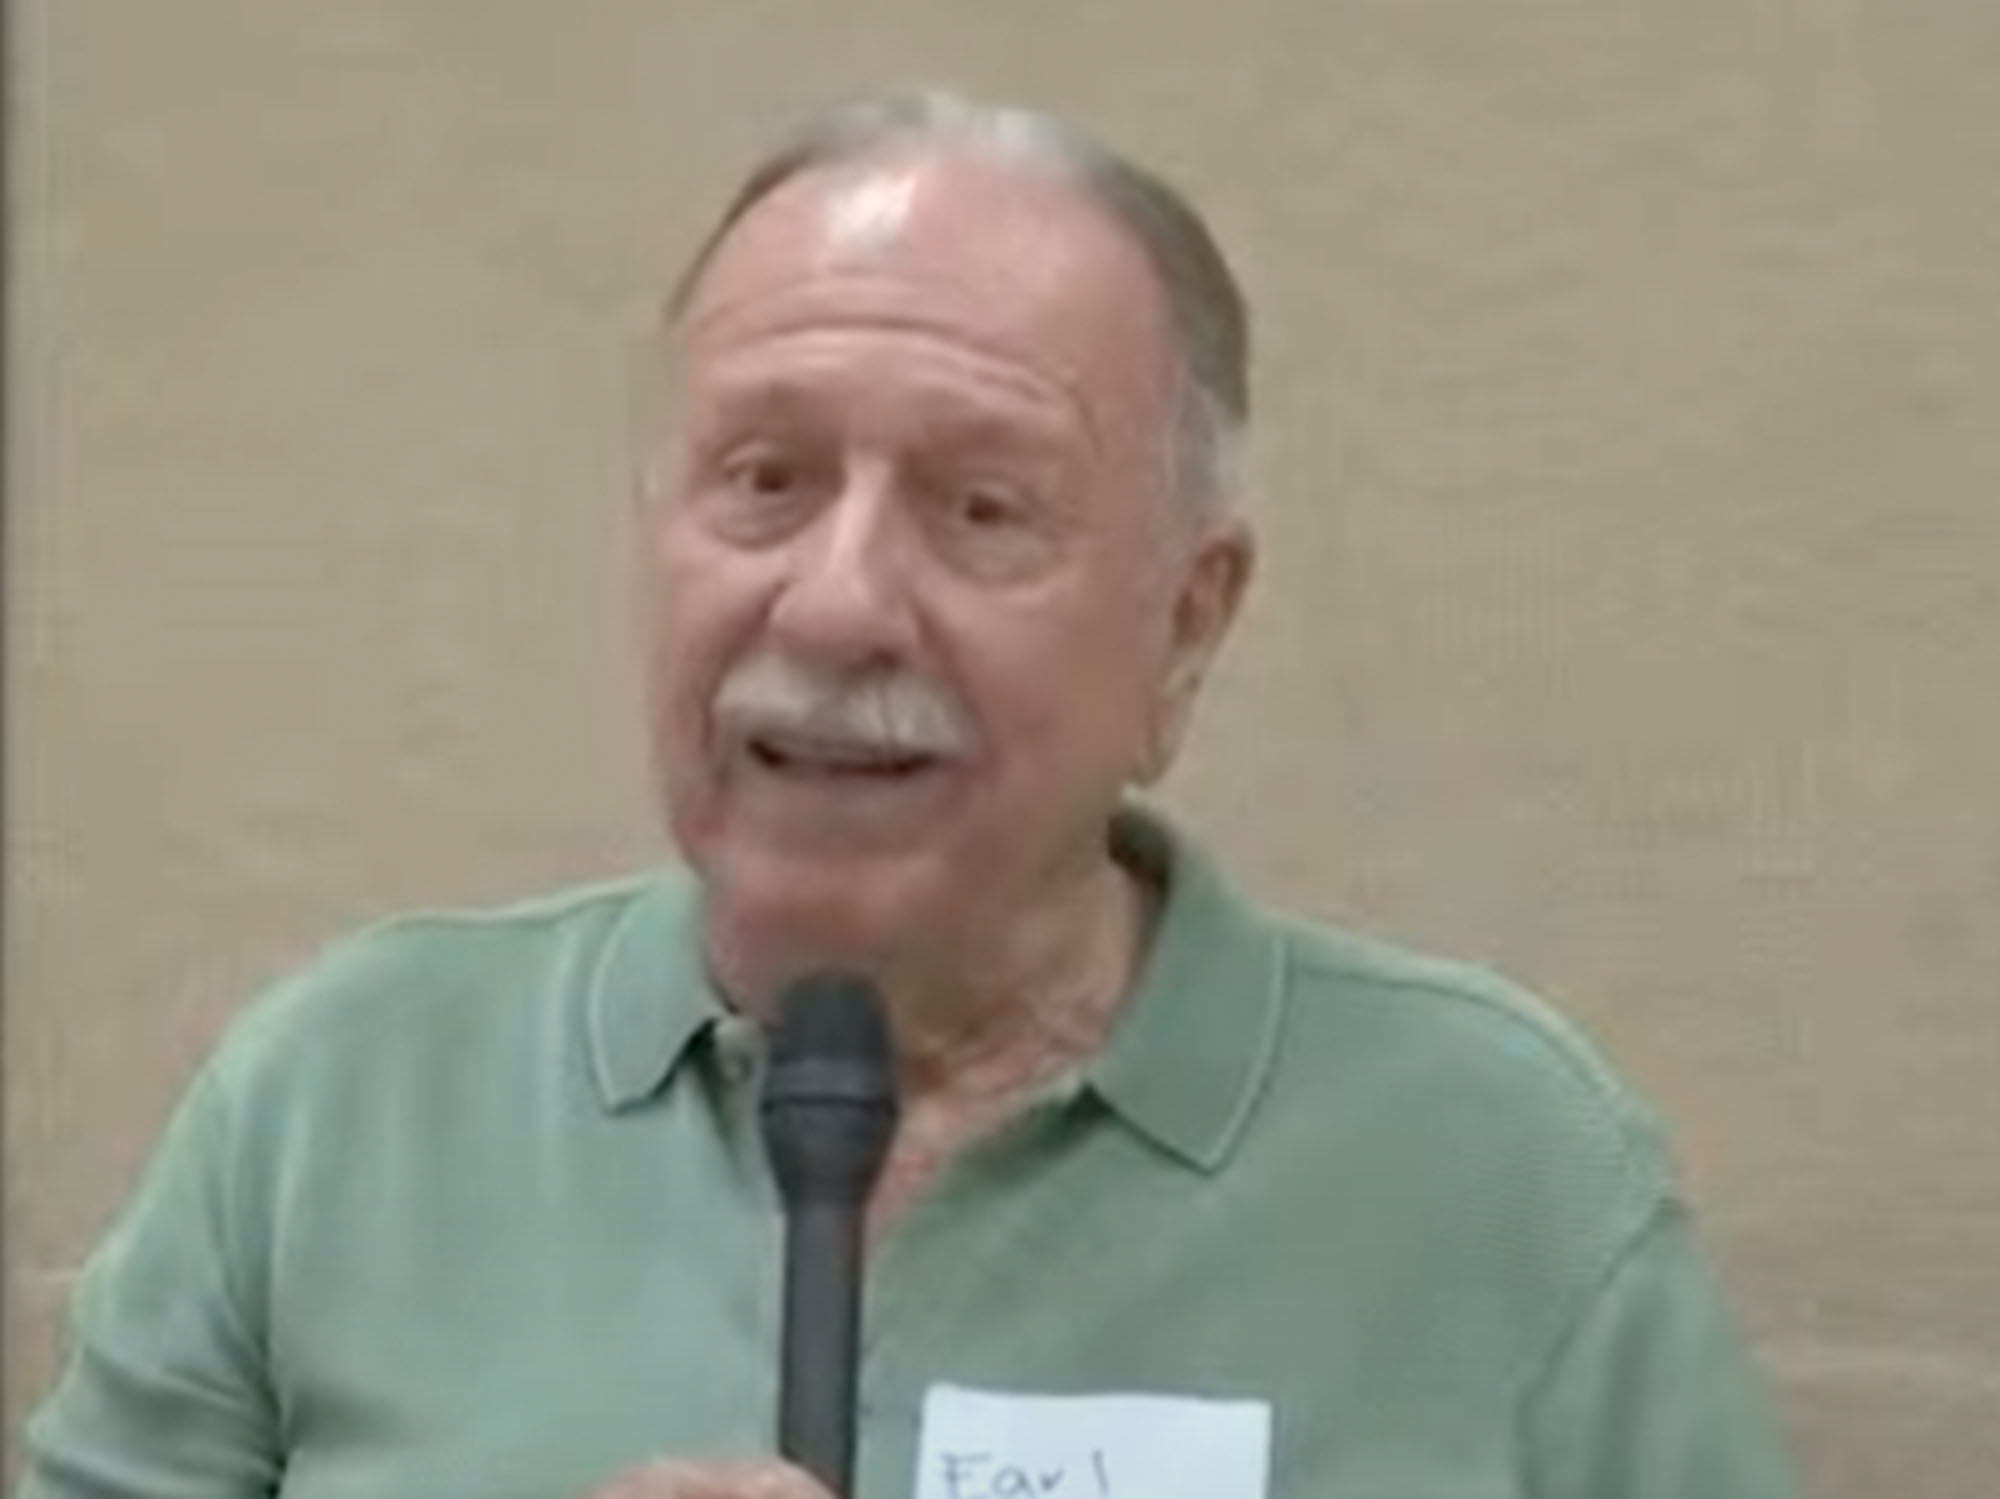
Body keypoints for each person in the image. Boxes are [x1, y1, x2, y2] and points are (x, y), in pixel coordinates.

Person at [18, 91, 1797, 1498]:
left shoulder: (1499, 1174)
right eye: (766, 480)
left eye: (980, 508)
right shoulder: (338, 1108)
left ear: (1188, 624)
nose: (840, 600)